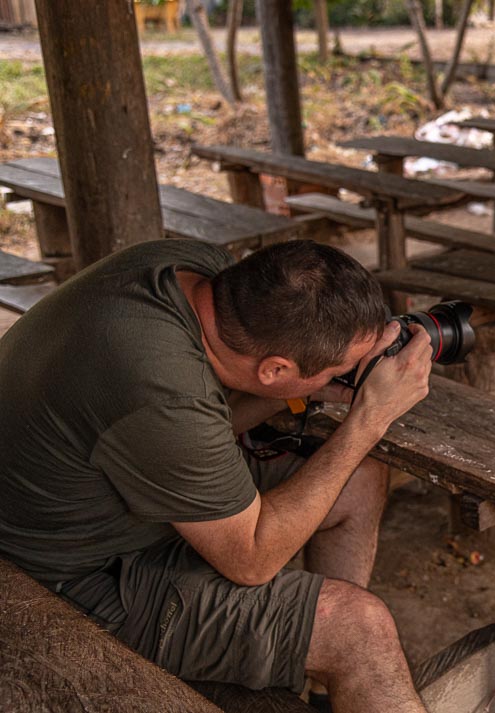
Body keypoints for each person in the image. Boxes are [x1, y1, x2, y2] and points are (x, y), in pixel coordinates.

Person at [0, 239, 433, 712]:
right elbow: (251, 560)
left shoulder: (193, 270)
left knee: (357, 479)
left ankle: (325, 679)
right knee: (358, 629)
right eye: (347, 368)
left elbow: (187, 429)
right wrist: (368, 420)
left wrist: (307, 389)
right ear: (275, 368)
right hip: (74, 576)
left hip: (107, 489)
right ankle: (334, 655)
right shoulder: (159, 386)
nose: (355, 375)